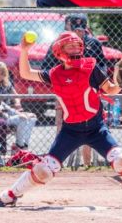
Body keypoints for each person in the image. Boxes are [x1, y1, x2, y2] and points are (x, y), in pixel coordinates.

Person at [0, 31, 122, 208]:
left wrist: (120, 83)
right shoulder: (55, 74)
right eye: (70, 45)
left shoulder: (90, 68)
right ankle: (9, 196)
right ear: (59, 50)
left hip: (96, 129)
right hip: (70, 131)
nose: (75, 48)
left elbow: (110, 90)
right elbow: (26, 73)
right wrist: (25, 50)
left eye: (77, 45)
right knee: (44, 170)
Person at [42, 13, 106, 166]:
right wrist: (60, 80)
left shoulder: (93, 43)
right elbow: (46, 67)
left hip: (88, 92)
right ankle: (58, 161)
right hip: (65, 92)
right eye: (75, 29)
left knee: (89, 122)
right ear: (68, 27)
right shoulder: (59, 44)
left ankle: (87, 164)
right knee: (62, 123)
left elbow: (102, 65)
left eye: (82, 29)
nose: (79, 33)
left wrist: (98, 84)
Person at [0, 63, 37, 151]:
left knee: (32, 118)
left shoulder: (6, 84)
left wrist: (17, 107)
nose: (0, 76)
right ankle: (19, 146)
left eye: (2, 73)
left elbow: (9, 101)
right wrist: (18, 114)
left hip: (7, 112)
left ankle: (24, 145)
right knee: (23, 119)